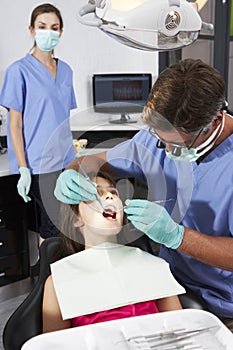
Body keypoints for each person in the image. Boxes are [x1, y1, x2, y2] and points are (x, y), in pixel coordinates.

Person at [54, 58, 233, 330]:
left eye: (176, 144)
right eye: (162, 141)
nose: (166, 152)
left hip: (223, 306)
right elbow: (93, 162)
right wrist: (72, 171)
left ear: (215, 120)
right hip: (169, 282)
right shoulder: (156, 139)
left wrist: (177, 236)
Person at [43, 171, 184, 333]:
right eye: (96, 194)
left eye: (113, 193)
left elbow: (180, 330)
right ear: (76, 218)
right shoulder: (58, 282)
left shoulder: (154, 267)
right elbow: (53, 343)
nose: (110, 197)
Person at [0, 3, 77, 244]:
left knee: (70, 224)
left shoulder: (65, 70)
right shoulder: (18, 71)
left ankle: (57, 276)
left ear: (61, 33)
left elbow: (62, 118)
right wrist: (23, 168)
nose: (48, 32)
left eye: (54, 28)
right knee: (53, 228)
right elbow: (15, 125)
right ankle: (48, 278)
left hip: (65, 160)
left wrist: (74, 159)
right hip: (39, 164)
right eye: (42, 27)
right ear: (31, 30)